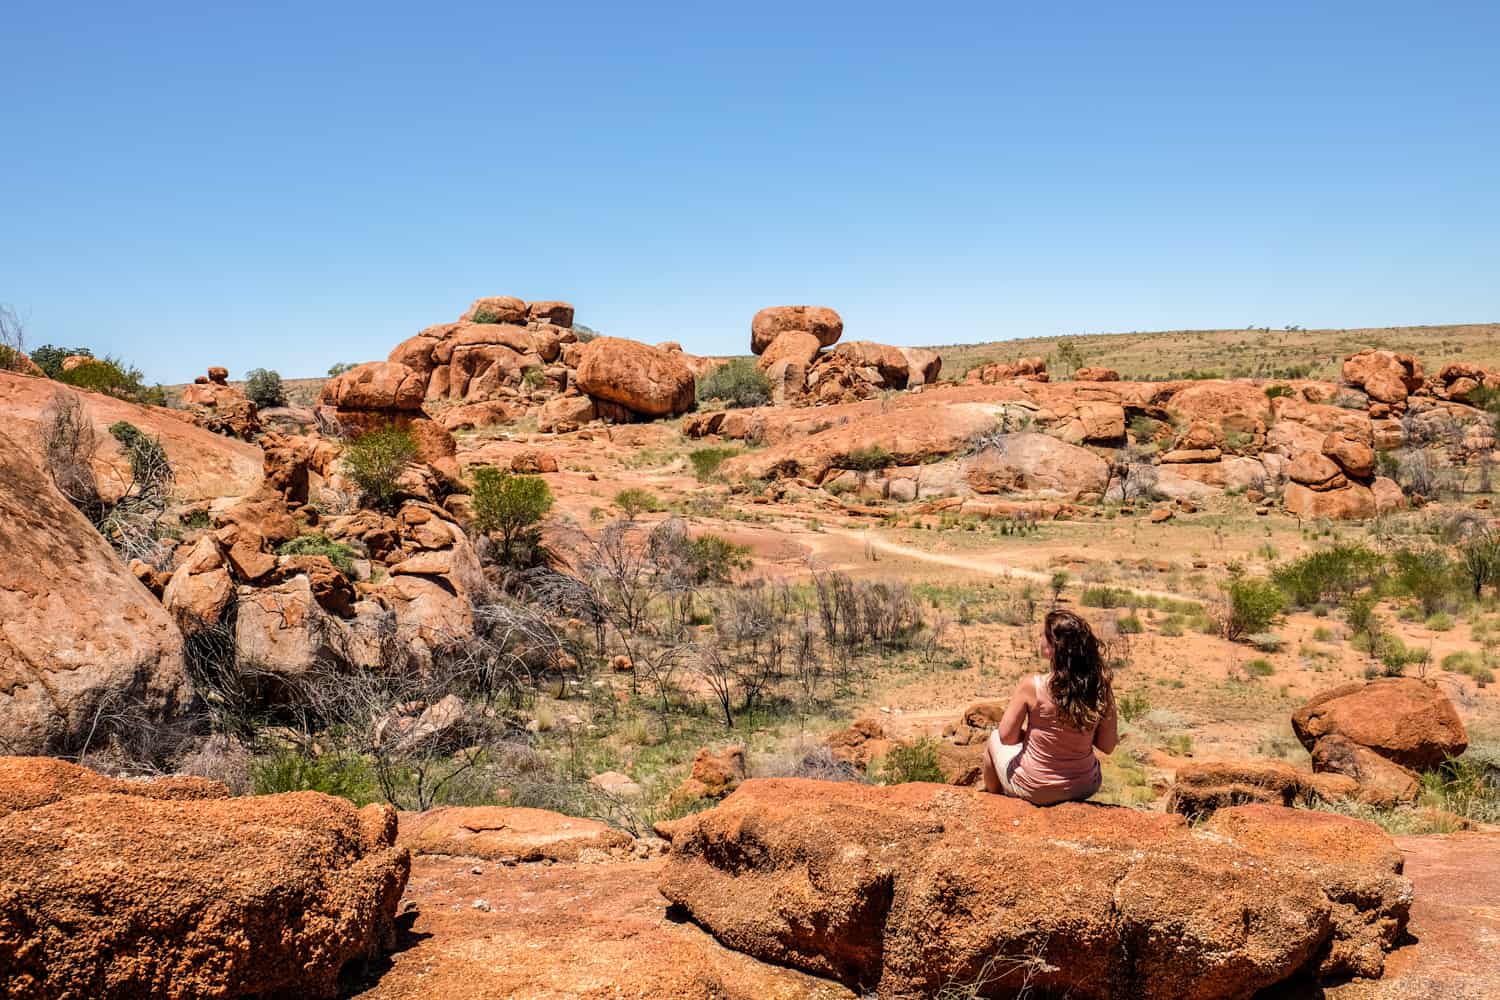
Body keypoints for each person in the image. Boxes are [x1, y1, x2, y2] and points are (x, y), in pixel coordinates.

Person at [981, 608, 1118, 805]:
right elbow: (1107, 746)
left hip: (1035, 788)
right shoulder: (1099, 688)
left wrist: (1031, 737)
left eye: (1044, 635)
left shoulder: (1032, 686)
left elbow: (1006, 737)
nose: (1040, 638)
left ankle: (995, 803)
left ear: (1054, 646)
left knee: (994, 738)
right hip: (1084, 786)